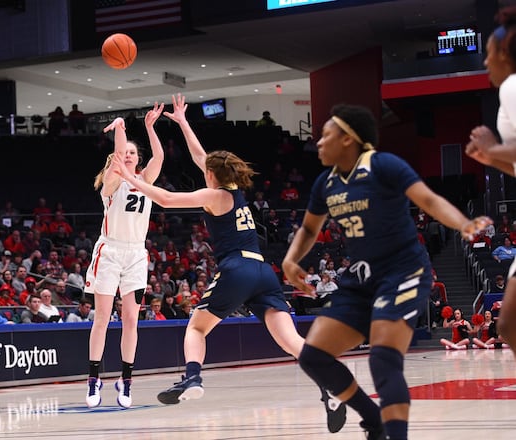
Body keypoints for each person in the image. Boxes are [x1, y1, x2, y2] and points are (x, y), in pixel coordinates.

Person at [113, 94, 345, 433]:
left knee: (196, 327)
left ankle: (192, 378)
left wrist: (130, 178)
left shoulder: (213, 195)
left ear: (210, 174)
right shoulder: (234, 190)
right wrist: (181, 122)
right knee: (291, 341)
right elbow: (200, 157)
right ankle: (332, 384)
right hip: (264, 272)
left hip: (237, 269)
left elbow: (164, 198)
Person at [281, 103, 492, 440]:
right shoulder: (326, 182)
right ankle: (372, 420)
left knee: (383, 360)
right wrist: (291, 260)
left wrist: (464, 223)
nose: (318, 143)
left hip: (403, 272)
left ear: (349, 139)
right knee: (314, 356)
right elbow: (308, 230)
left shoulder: (383, 165)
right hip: (361, 279)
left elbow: (429, 200)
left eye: (326, 135)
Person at [83, 101, 165, 409]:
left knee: (131, 319)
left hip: (135, 254)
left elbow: (159, 156)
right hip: (110, 250)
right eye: (124, 152)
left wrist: (149, 126)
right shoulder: (111, 183)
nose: (128, 155)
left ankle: (125, 381)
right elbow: (118, 156)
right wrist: (119, 127)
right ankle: (93, 380)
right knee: (102, 318)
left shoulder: (146, 180)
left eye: (133, 152)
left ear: (138, 158)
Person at [464, 6, 516, 355]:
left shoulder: (512, 84)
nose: (485, 63)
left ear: (504, 54)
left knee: (510, 323)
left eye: (488, 55)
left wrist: (493, 149)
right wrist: (492, 157)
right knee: (509, 322)